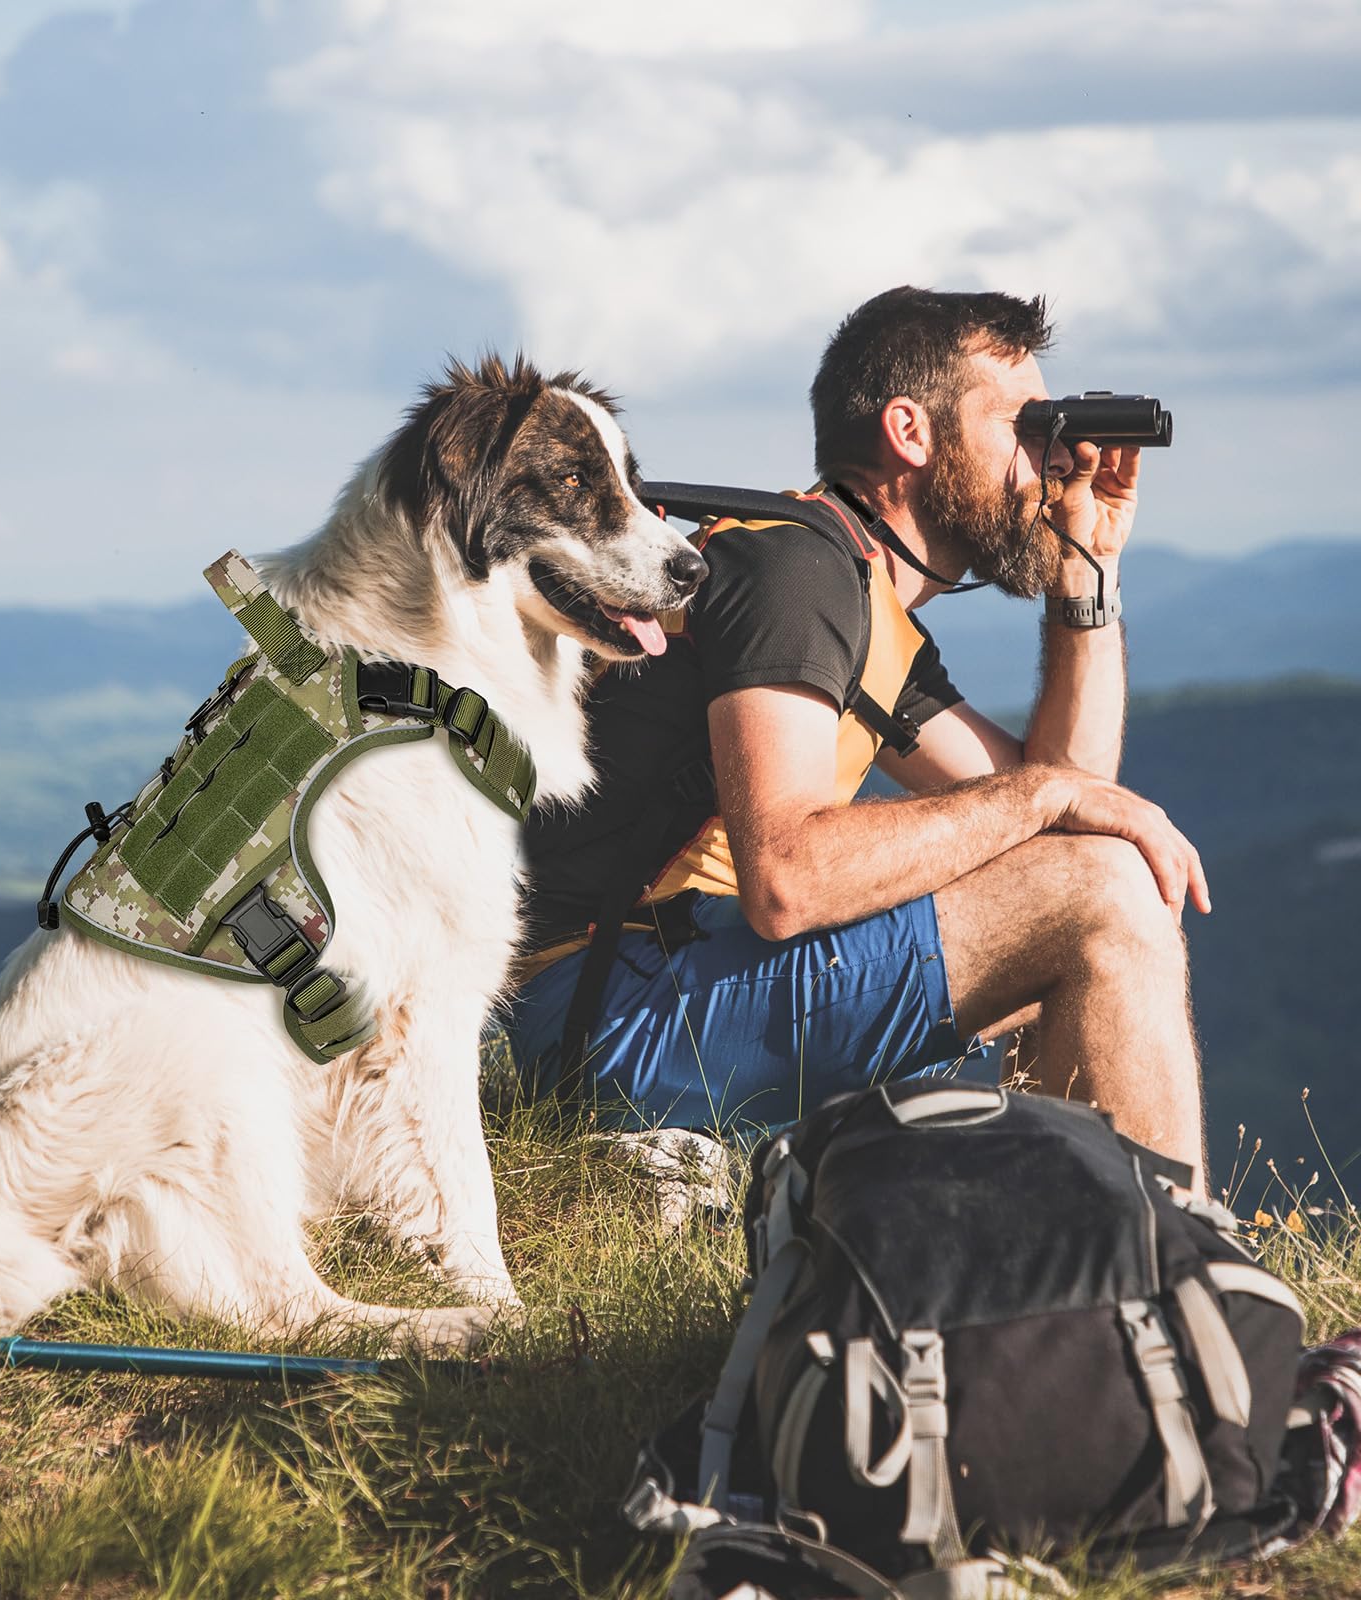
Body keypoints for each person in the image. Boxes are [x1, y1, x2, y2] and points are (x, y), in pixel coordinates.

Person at [506, 286, 1209, 1179]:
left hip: (652, 990)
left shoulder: (867, 606)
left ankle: (1077, 1268)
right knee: (1102, 892)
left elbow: (1074, 803)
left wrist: (1089, 568)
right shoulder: (797, 570)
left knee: (1088, 872)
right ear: (911, 433)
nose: (1048, 462)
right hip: (595, 1015)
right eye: (1025, 429)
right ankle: (1175, 1277)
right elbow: (788, 879)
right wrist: (1042, 795)